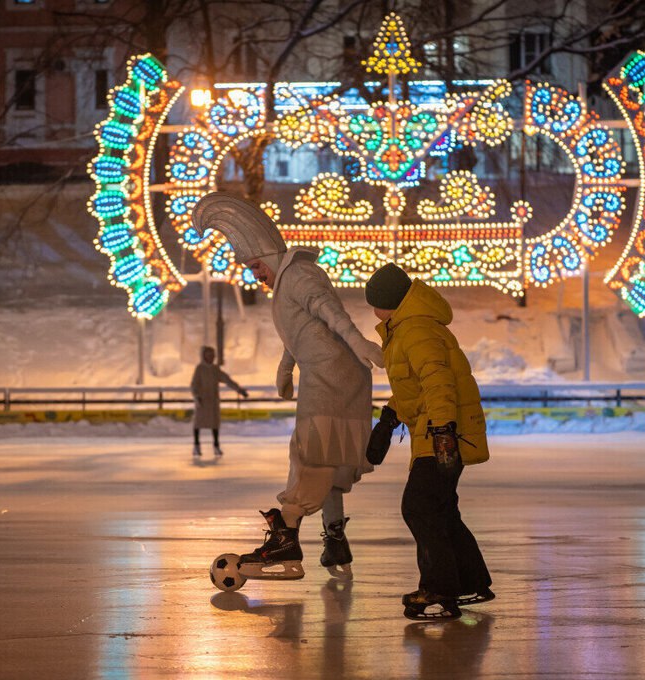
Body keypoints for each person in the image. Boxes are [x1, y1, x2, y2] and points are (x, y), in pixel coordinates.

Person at [193, 192, 382, 579]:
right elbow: (302, 332)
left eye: (255, 267)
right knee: (325, 457)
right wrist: (286, 366)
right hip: (328, 373)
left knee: (312, 452)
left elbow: (328, 312)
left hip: (334, 377)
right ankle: (334, 541)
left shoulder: (298, 274)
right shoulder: (286, 282)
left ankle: (286, 536)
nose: (255, 276)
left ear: (269, 257)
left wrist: (357, 339)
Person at [363, 263, 493, 620]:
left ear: (387, 302)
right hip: (435, 430)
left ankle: (439, 586)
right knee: (440, 510)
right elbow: (415, 389)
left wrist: (442, 432)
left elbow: (438, 381)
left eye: (374, 303)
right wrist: (389, 418)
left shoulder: (415, 329)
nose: (373, 310)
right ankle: (469, 581)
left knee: (419, 507)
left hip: (441, 434)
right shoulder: (407, 328)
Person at [190, 345, 248, 457]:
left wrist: (239, 389)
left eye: (212, 355)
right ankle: (196, 446)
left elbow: (227, 379)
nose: (211, 357)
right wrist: (196, 396)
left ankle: (216, 446)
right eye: (209, 355)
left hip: (212, 402)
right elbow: (194, 384)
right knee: (198, 424)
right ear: (204, 356)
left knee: (214, 424)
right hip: (202, 401)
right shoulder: (200, 369)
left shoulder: (215, 369)